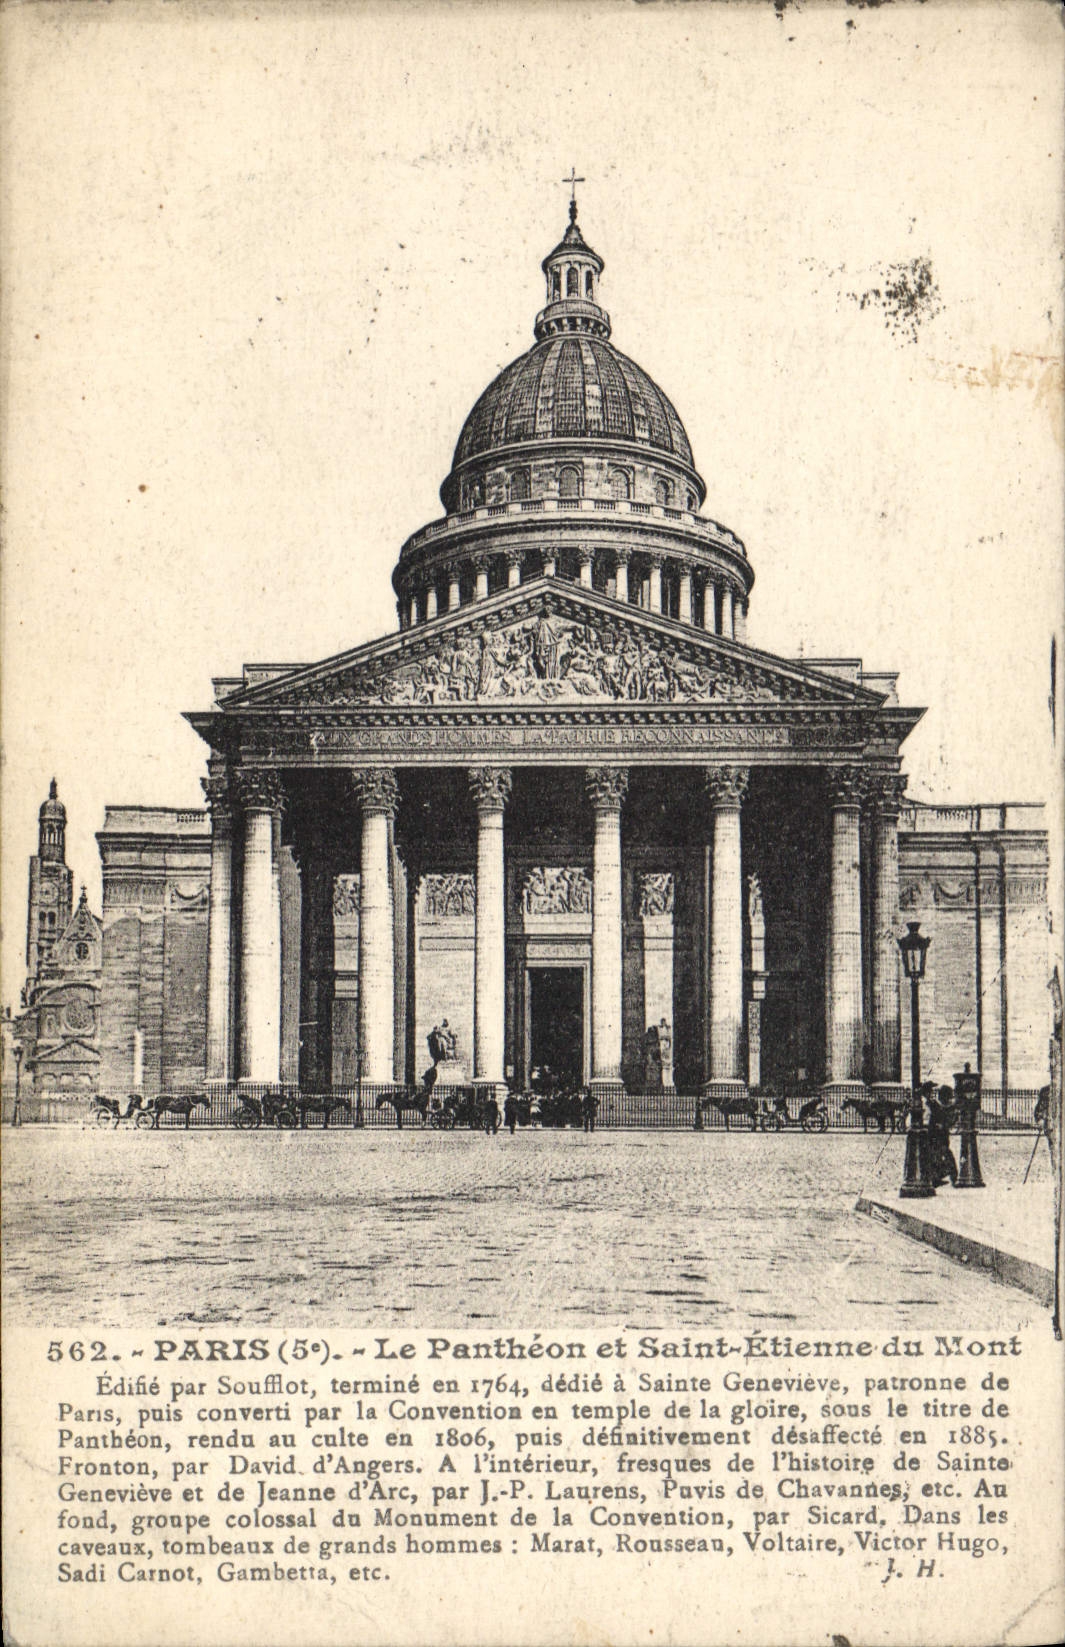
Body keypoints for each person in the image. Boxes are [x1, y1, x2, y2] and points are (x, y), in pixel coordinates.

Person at [927, 1083, 958, 1187]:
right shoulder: (936, 1106)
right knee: (945, 1158)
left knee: (938, 1158)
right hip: (937, 1138)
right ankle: (950, 1178)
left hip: (939, 1137)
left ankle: (937, 1178)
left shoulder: (939, 1106)